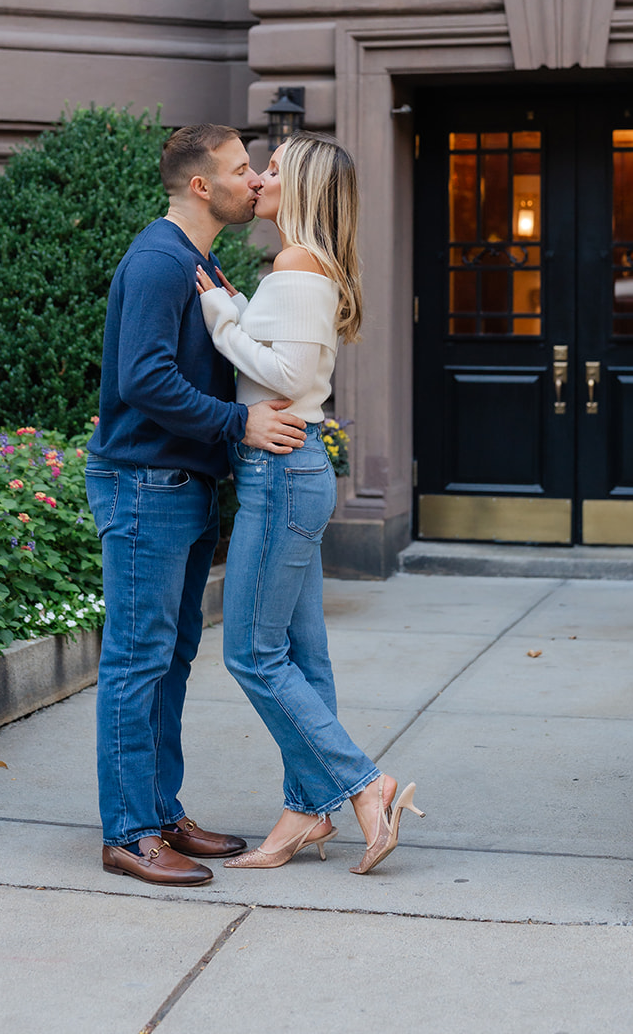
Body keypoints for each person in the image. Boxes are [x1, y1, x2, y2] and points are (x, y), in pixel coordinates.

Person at [85, 123, 308, 888]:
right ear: (202, 185)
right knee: (136, 659)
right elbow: (142, 379)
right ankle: (129, 832)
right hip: (145, 483)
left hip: (179, 485)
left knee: (170, 658)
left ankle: (159, 809)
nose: (255, 181)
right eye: (242, 169)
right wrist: (237, 421)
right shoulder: (159, 259)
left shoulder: (196, 260)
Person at [196, 133, 423, 875]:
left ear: (299, 189)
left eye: (271, 170)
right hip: (292, 470)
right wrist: (235, 302)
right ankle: (305, 812)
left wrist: (220, 317)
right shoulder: (301, 268)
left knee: (251, 654)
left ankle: (363, 782)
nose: (257, 179)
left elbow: (282, 372)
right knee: (302, 653)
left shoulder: (296, 265)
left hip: (280, 472)